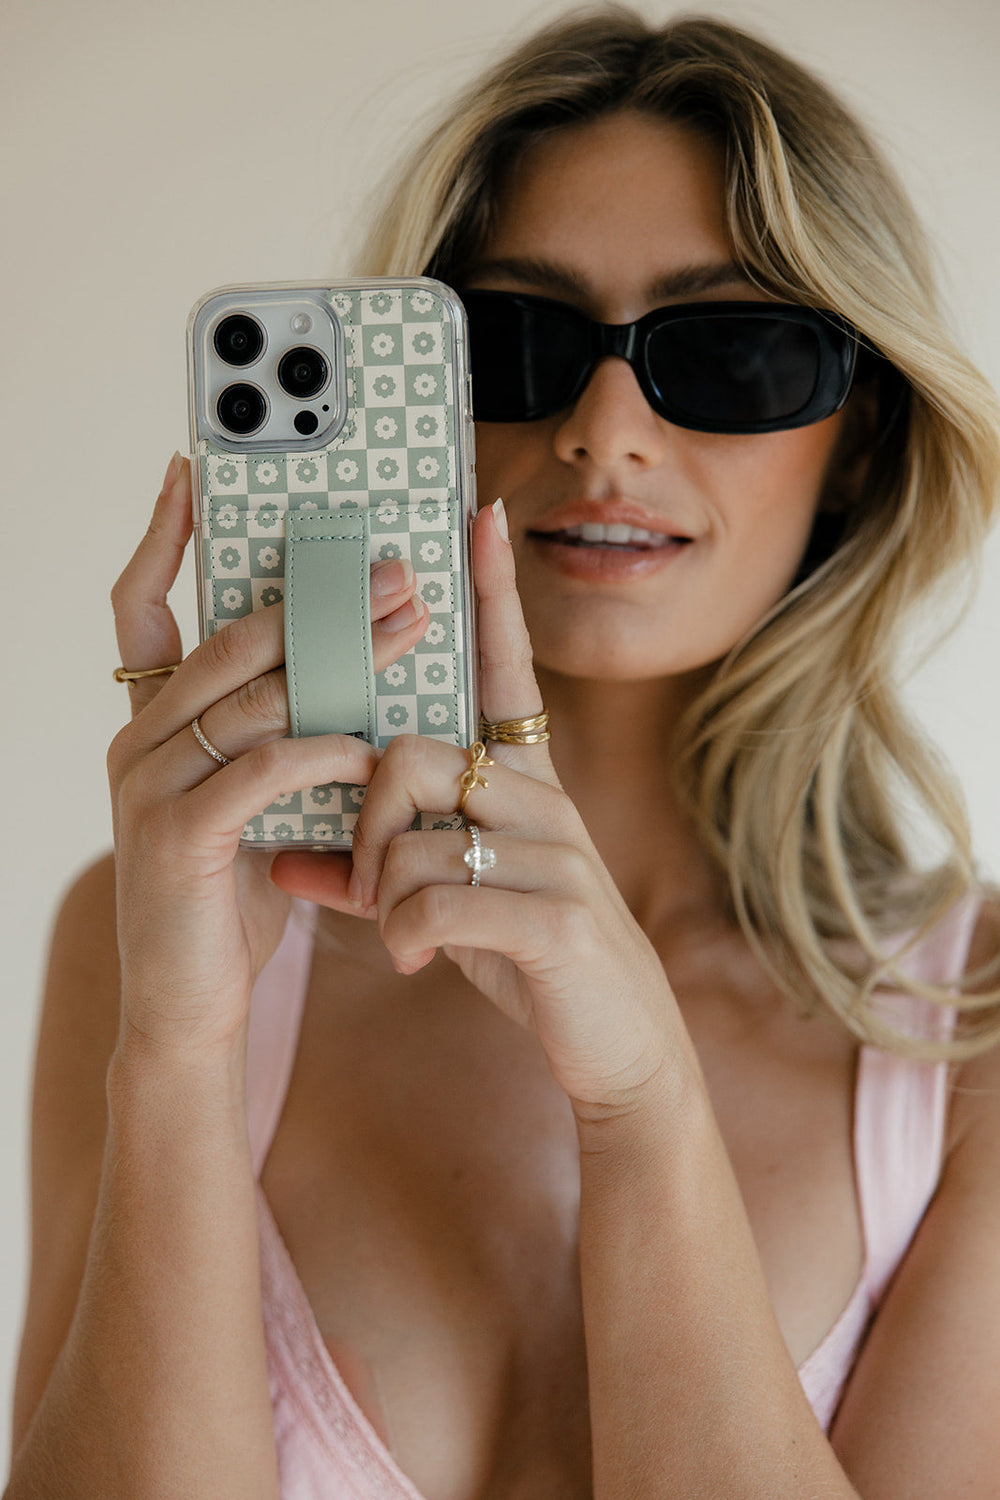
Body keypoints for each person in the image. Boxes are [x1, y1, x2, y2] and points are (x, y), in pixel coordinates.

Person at [7, 9, 1000, 1498]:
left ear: (858, 436)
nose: (606, 432)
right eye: (513, 342)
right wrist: (182, 1053)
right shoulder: (158, 936)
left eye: (731, 355)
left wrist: (644, 1104)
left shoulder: (971, 1029)